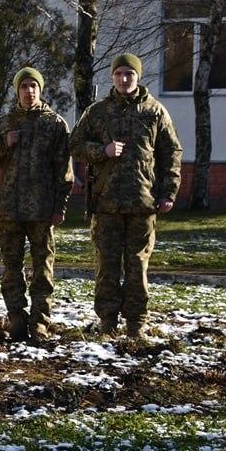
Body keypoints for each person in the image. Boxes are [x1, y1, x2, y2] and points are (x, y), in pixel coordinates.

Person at [69, 53, 182, 338]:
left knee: (137, 267)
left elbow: (171, 153)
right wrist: (101, 152)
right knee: (107, 267)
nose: (123, 79)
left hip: (142, 204)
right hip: (106, 205)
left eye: (129, 74)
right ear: (112, 77)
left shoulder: (154, 112)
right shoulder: (98, 112)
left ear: (138, 77)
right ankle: (107, 323)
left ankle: (136, 325)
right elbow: (75, 144)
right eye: (119, 73)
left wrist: (168, 192)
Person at [0, 67, 73, 343]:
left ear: (40, 90)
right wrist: (5, 145)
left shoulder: (54, 124)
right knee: (11, 266)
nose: (29, 91)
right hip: (10, 208)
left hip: (42, 210)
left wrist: (60, 206)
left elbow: (64, 171)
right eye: (24, 87)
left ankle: (40, 321)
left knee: (43, 267)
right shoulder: (4, 123)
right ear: (17, 90)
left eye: (34, 86)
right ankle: (16, 318)